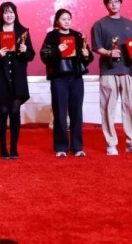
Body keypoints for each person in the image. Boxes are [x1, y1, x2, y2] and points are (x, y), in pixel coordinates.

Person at [91, 0, 132, 156]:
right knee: (108, 109)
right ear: (106, 5)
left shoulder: (130, 24)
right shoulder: (99, 25)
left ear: (121, 3)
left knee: (131, 108)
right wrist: (108, 53)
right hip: (108, 72)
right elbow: (97, 47)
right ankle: (111, 143)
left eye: (116, 1)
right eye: (110, 2)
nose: (113, 4)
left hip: (128, 70)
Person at [0, 2, 35, 159]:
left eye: (11, 12)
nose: (9, 15)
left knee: (15, 111)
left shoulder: (23, 32)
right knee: (3, 111)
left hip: (17, 79)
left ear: (15, 14)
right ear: (1, 14)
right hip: (0, 79)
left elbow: (31, 55)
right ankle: (3, 148)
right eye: (5, 12)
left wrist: (25, 50)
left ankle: (14, 148)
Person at [39, 9, 93, 157]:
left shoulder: (78, 35)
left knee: (77, 113)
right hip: (59, 79)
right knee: (60, 114)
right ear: (57, 21)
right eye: (63, 19)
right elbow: (44, 56)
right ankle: (61, 147)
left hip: (76, 79)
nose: (67, 21)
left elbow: (88, 58)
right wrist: (57, 50)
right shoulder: (52, 36)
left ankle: (77, 147)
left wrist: (86, 55)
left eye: (69, 18)